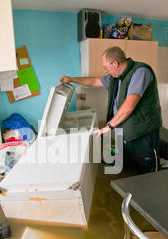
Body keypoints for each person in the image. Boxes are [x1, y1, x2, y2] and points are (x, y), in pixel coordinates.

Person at [60, 46, 162, 174]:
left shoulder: (140, 72)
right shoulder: (116, 76)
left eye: (106, 67)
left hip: (143, 135)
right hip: (127, 134)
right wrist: (72, 80)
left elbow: (129, 105)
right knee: (131, 171)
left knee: (148, 173)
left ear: (115, 63)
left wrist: (108, 126)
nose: (106, 71)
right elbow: (95, 81)